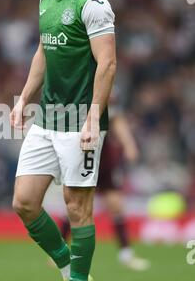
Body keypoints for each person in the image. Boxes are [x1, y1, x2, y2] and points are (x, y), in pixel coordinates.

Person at [10, 0, 116, 281]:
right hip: (48, 117)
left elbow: (107, 63)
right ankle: (73, 276)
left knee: (77, 207)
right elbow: (43, 49)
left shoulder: (94, 4)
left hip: (79, 121)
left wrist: (92, 117)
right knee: (24, 202)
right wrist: (24, 98)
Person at [57, 96, 151, 271]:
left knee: (116, 205)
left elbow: (116, 118)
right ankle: (58, 252)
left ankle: (126, 255)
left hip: (104, 157)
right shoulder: (76, 88)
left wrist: (129, 144)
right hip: (80, 153)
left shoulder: (105, 87)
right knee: (75, 204)